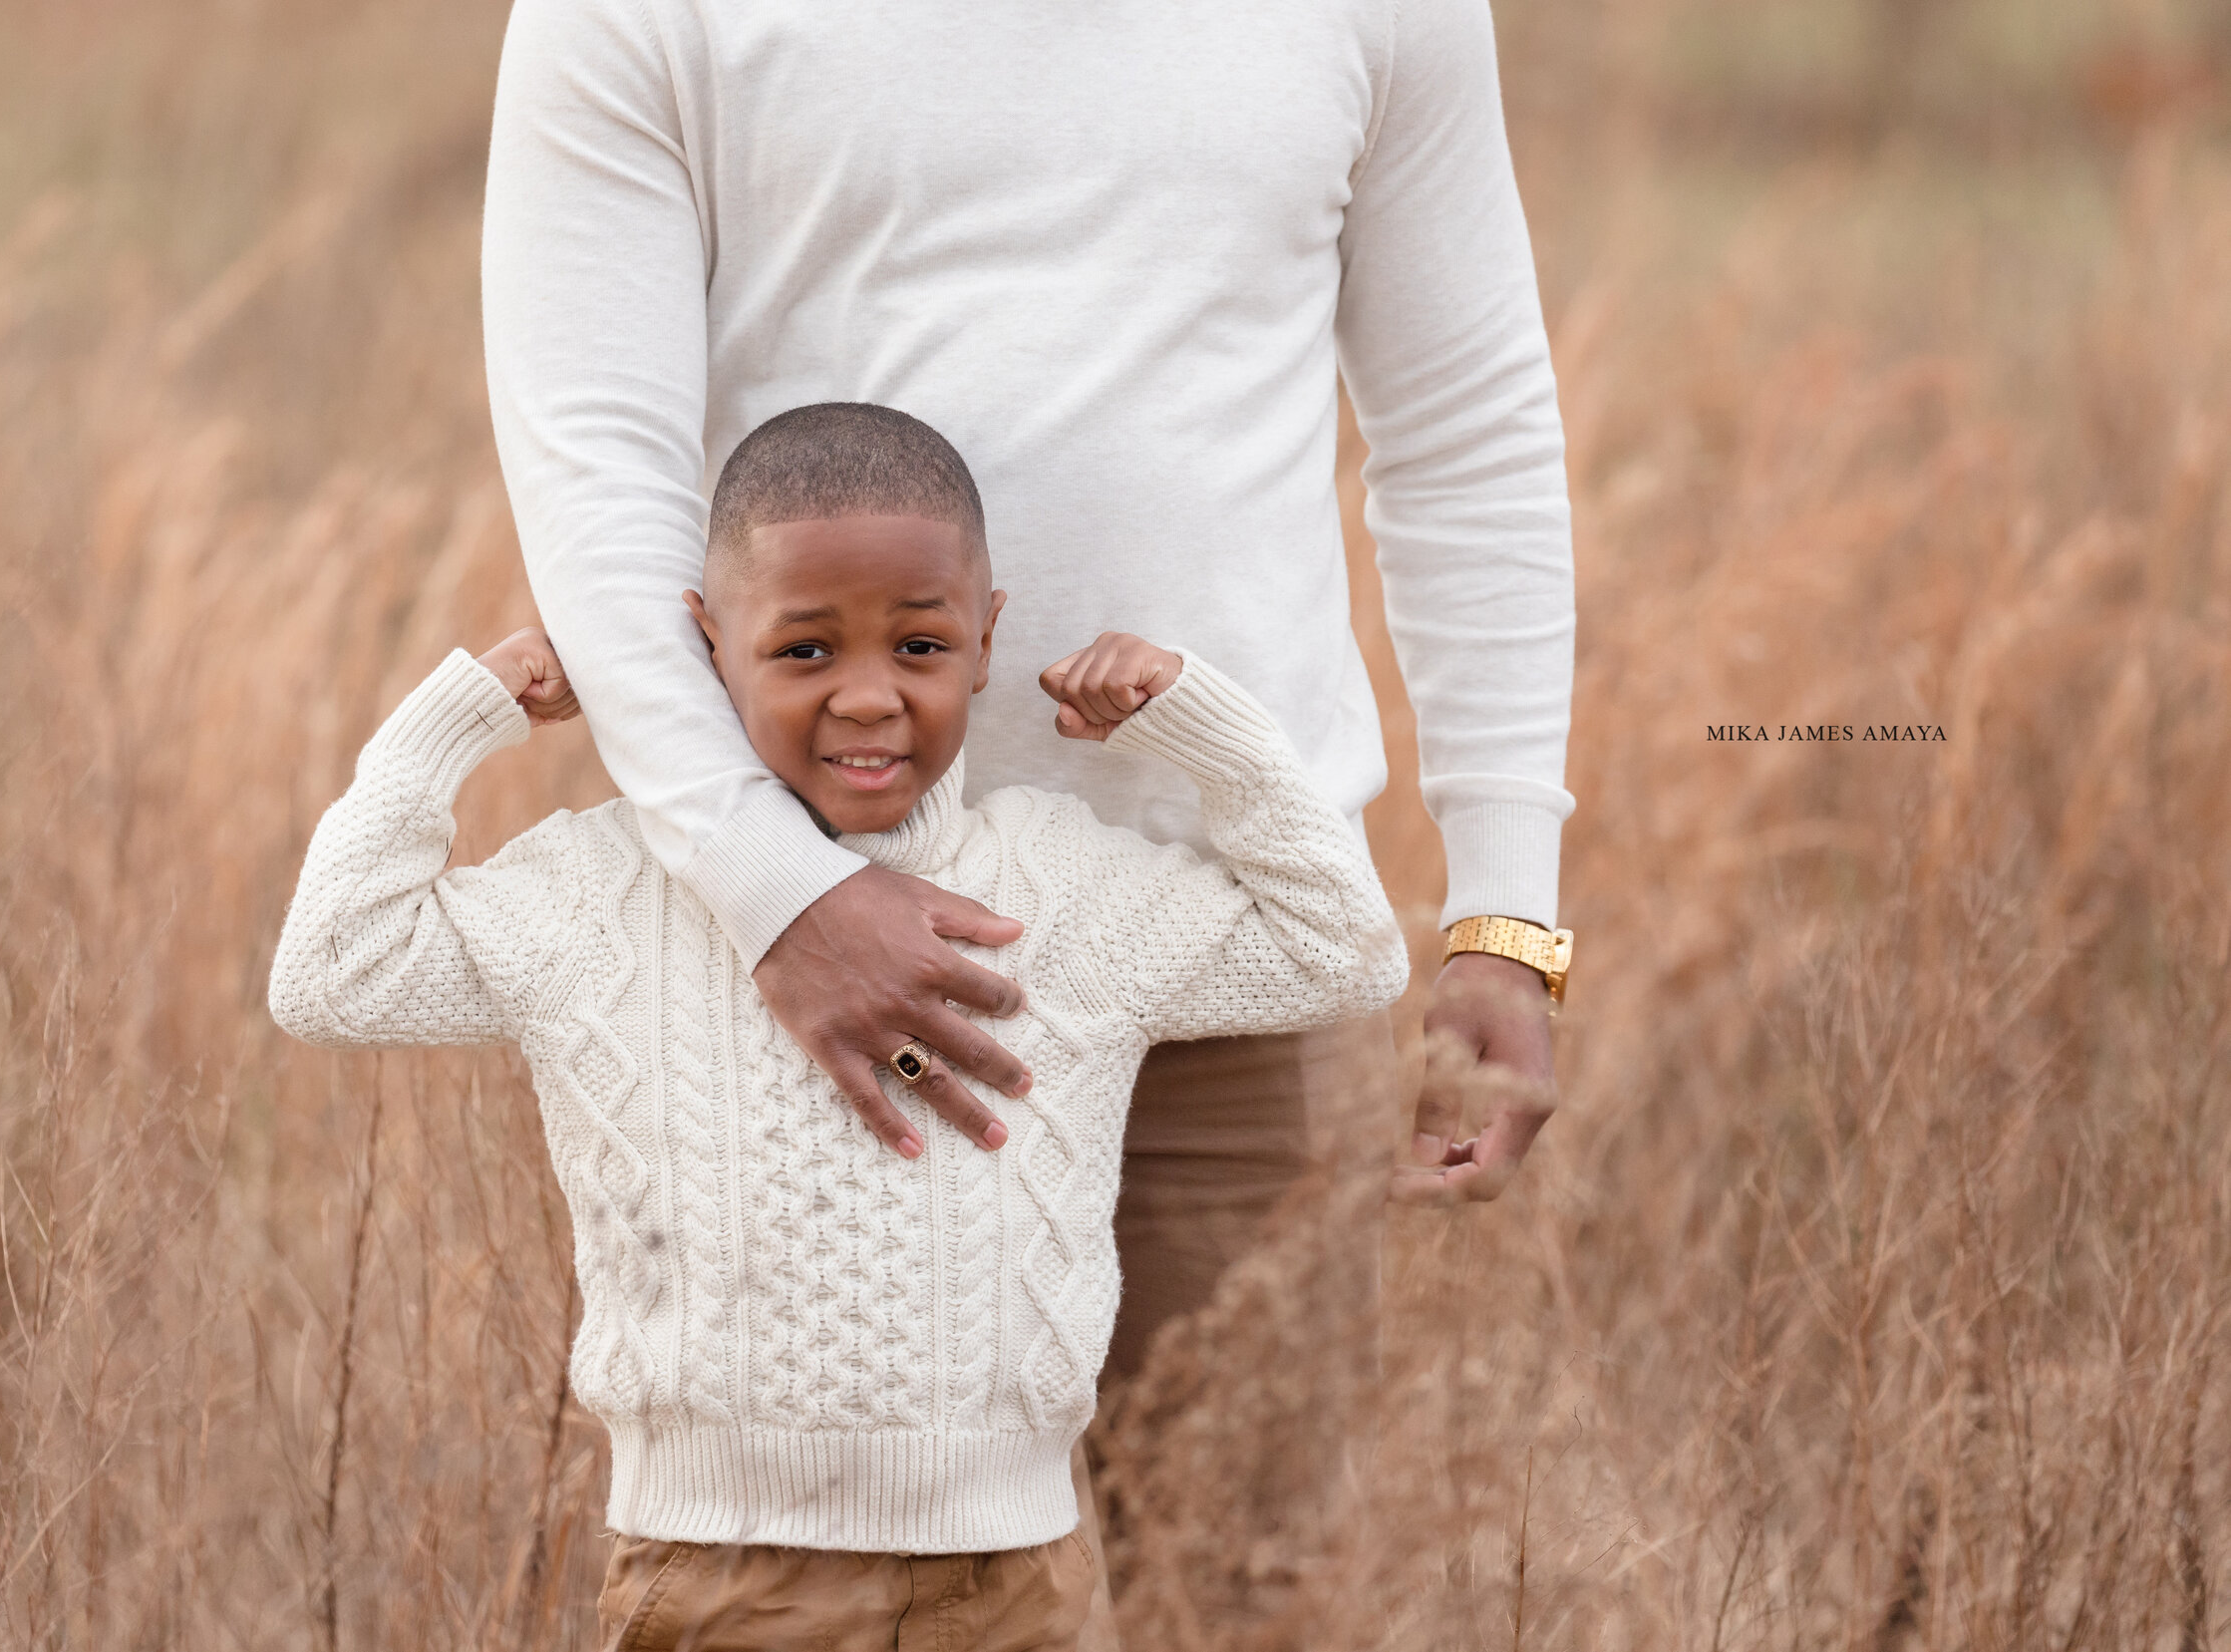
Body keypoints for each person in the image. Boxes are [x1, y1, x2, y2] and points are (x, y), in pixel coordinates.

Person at [478, 0, 1578, 1428]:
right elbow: (598, 485)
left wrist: (1504, 914)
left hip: (1235, 962)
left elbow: (1467, 430)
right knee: (825, 1605)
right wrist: (781, 893)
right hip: (807, 986)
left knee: (1248, 1604)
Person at [268, 405, 1409, 1648]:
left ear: (986, 640)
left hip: (1011, 1581)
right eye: (804, 651)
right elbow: (332, 970)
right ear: (707, 646)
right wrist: (458, 721)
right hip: (720, 1577)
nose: (868, 698)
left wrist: (1205, 725)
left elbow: (1342, 952)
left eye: (919, 645)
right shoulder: (607, 890)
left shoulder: (1065, 892)